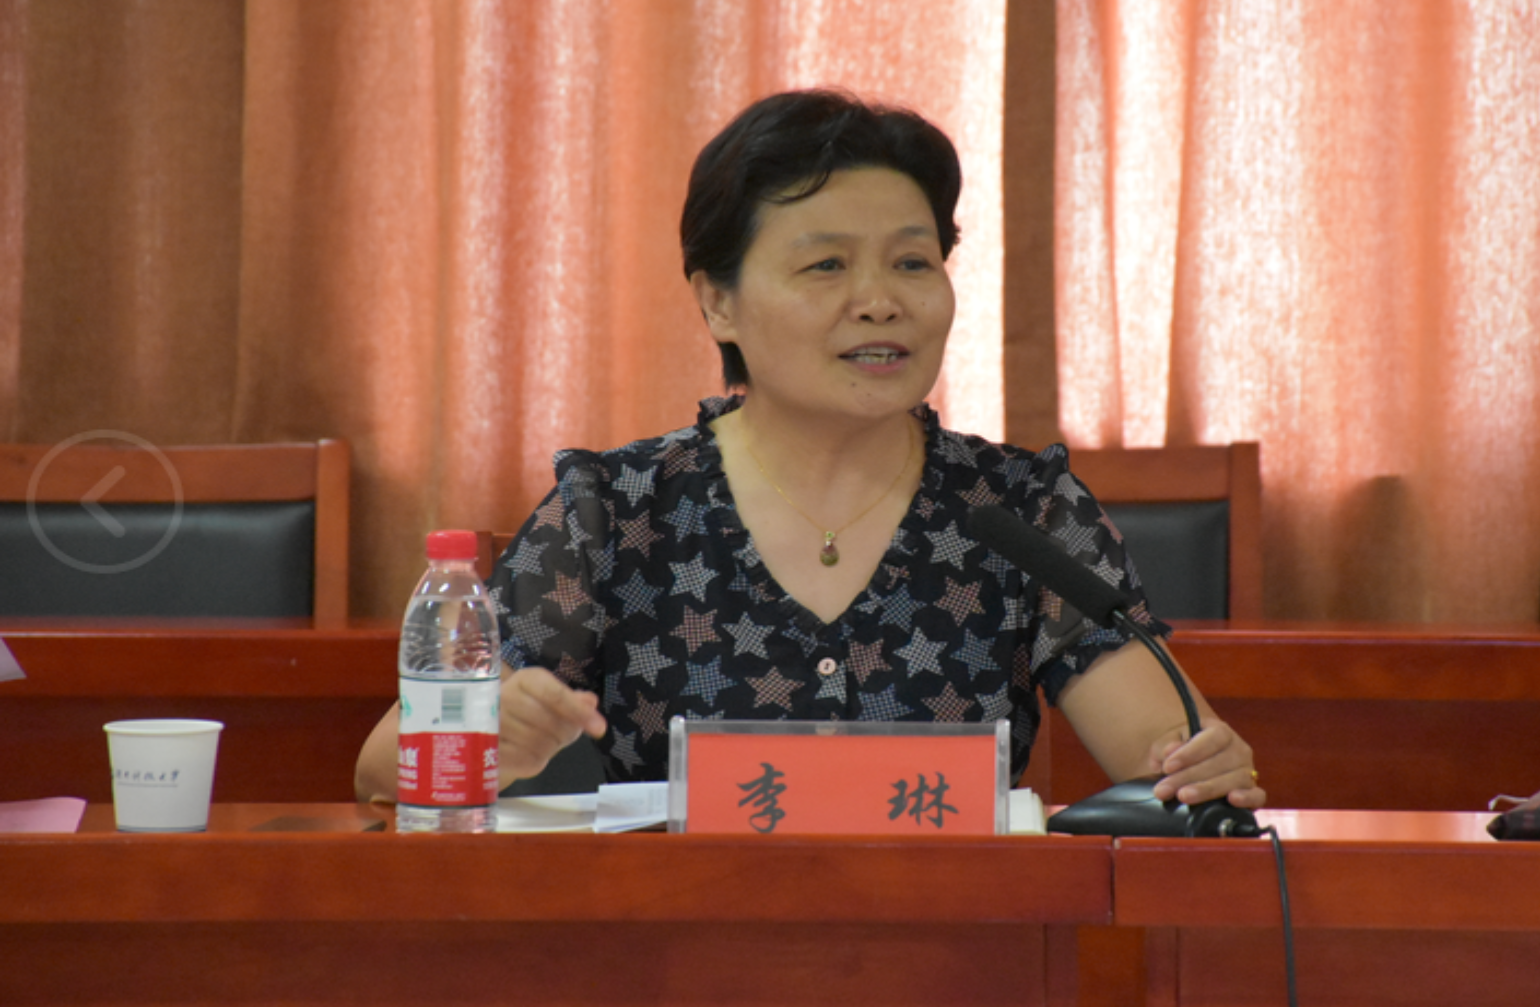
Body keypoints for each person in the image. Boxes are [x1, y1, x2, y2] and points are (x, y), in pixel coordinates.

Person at [355, 88, 1263, 811]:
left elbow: (1169, 759)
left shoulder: (1020, 509)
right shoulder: (616, 512)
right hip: (667, 958)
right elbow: (383, 766)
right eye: (826, 265)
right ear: (718, 302)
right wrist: (492, 735)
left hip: (960, 956)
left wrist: (1198, 765)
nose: (880, 301)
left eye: (912, 262)